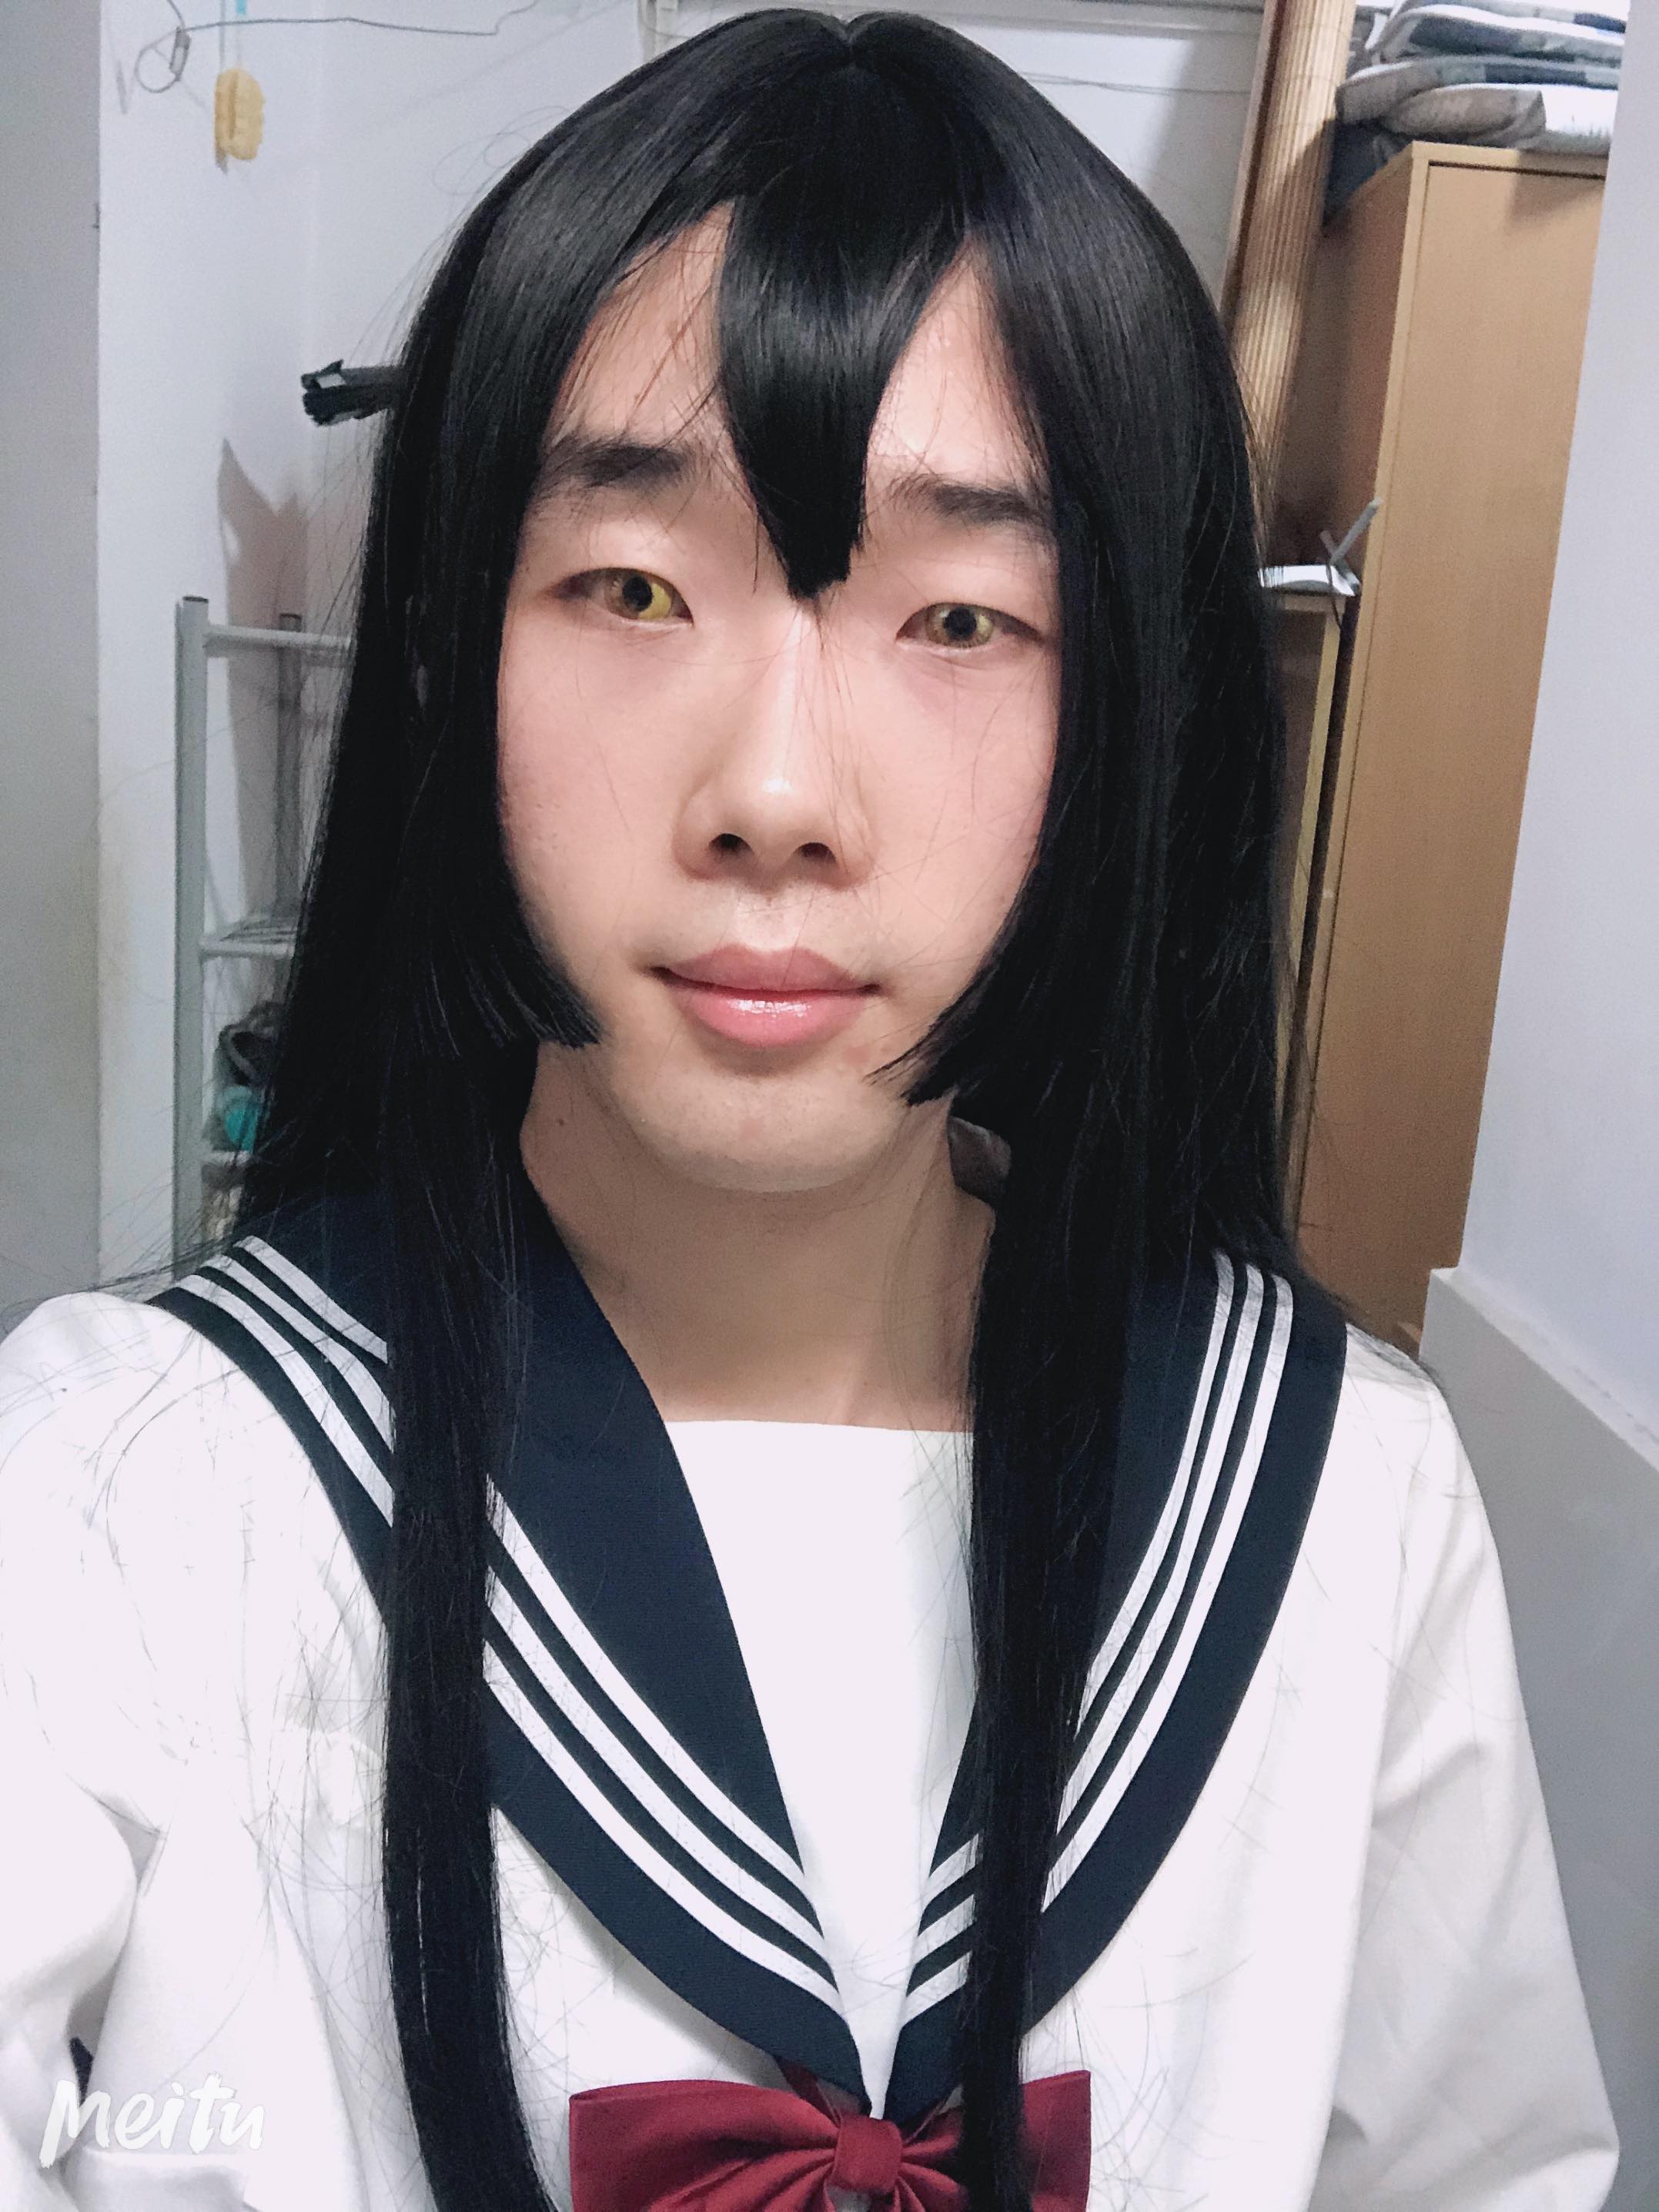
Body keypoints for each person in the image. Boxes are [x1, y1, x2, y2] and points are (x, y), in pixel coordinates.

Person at [0, 9, 1617, 2209]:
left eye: (959, 616)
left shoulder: (1342, 1493)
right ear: (447, 657)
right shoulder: (128, 1491)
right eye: (631, 587)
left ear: (1134, 725)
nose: (773, 792)